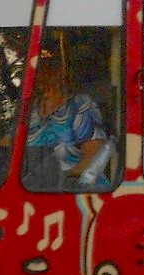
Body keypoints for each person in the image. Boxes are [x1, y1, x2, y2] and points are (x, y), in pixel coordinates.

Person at [26, 61, 113, 189]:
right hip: (32, 190)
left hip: (79, 192)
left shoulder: (79, 106)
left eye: (45, 77)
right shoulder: (30, 111)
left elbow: (94, 161)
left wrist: (56, 178)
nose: (38, 82)